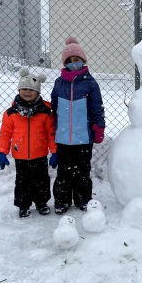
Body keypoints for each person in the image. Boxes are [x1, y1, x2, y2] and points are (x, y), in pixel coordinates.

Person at [51, 37, 105, 215]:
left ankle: (83, 199)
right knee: (64, 172)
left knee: (83, 171)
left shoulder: (90, 83)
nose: (74, 64)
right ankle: (62, 200)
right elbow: (54, 107)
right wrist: (53, 127)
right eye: (70, 61)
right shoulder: (59, 83)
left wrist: (99, 126)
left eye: (77, 60)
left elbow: (97, 107)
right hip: (64, 137)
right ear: (65, 64)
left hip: (83, 137)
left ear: (83, 61)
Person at [0, 68, 56, 219]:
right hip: (20, 155)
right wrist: (2, 151)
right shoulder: (11, 113)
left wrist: (55, 151)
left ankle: (41, 203)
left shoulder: (45, 112)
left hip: (40, 154)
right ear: (19, 90)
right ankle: (24, 205)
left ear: (37, 92)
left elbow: (51, 134)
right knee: (23, 182)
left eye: (31, 89)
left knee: (41, 181)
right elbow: (5, 134)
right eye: (23, 89)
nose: (27, 92)